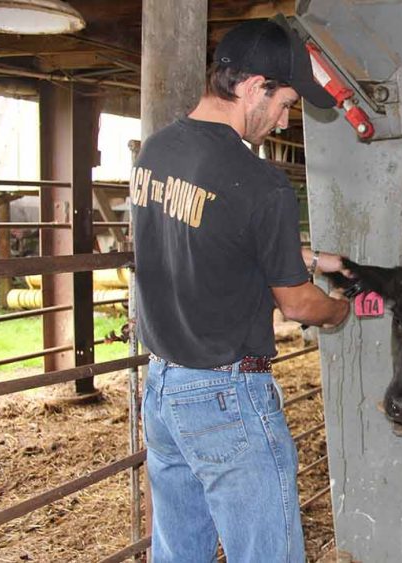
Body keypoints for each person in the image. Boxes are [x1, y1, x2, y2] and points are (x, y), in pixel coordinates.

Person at [130, 18, 350, 562]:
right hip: (226, 395)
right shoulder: (260, 182)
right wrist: (339, 309)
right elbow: (298, 303)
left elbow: (207, 240)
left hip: (162, 387)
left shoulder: (155, 152)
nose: (283, 120)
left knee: (180, 551)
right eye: (286, 103)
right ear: (255, 87)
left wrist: (313, 258)